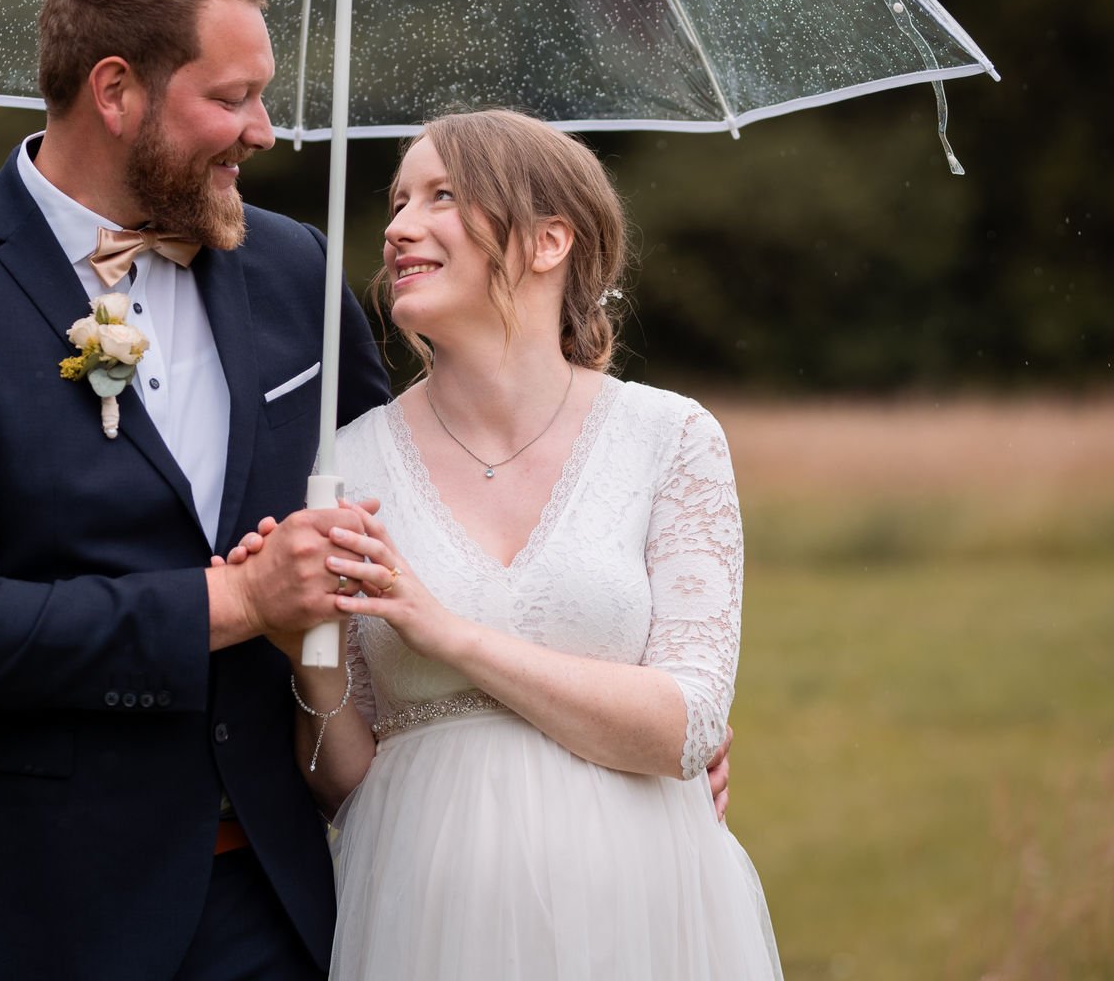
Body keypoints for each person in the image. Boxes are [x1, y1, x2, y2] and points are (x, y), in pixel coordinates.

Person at [0, 0, 394, 980]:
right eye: (230, 98)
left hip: (275, 901)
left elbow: (416, 519)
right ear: (116, 89)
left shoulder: (296, 272)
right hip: (27, 910)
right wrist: (237, 604)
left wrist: (570, 731)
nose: (263, 131)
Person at [243, 109, 779, 979]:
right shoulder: (348, 462)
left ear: (548, 240)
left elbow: (686, 727)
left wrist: (446, 633)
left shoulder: (669, 437)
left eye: (444, 196)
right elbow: (346, 783)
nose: (399, 226)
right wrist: (304, 659)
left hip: (641, 897)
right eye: (398, 199)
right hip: (426, 907)